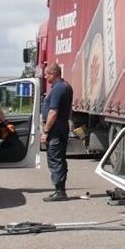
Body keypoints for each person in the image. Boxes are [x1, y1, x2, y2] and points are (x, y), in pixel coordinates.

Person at [40, 63, 74, 202]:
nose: (45, 76)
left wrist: (46, 131)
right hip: (61, 126)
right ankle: (59, 189)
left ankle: (60, 191)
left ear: (53, 74)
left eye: (46, 74)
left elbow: (53, 112)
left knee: (55, 158)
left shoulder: (59, 88)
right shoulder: (63, 86)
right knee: (58, 158)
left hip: (56, 128)